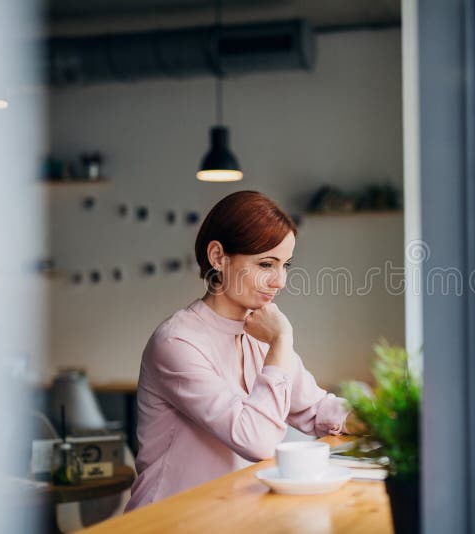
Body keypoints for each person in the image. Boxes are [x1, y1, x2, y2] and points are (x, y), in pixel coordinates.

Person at [125, 191, 352, 511]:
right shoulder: (177, 343)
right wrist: (282, 340)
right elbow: (257, 441)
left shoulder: (261, 334)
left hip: (231, 513)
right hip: (169, 519)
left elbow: (317, 410)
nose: (280, 281)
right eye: (266, 264)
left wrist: (382, 418)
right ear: (218, 257)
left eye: (285, 265)